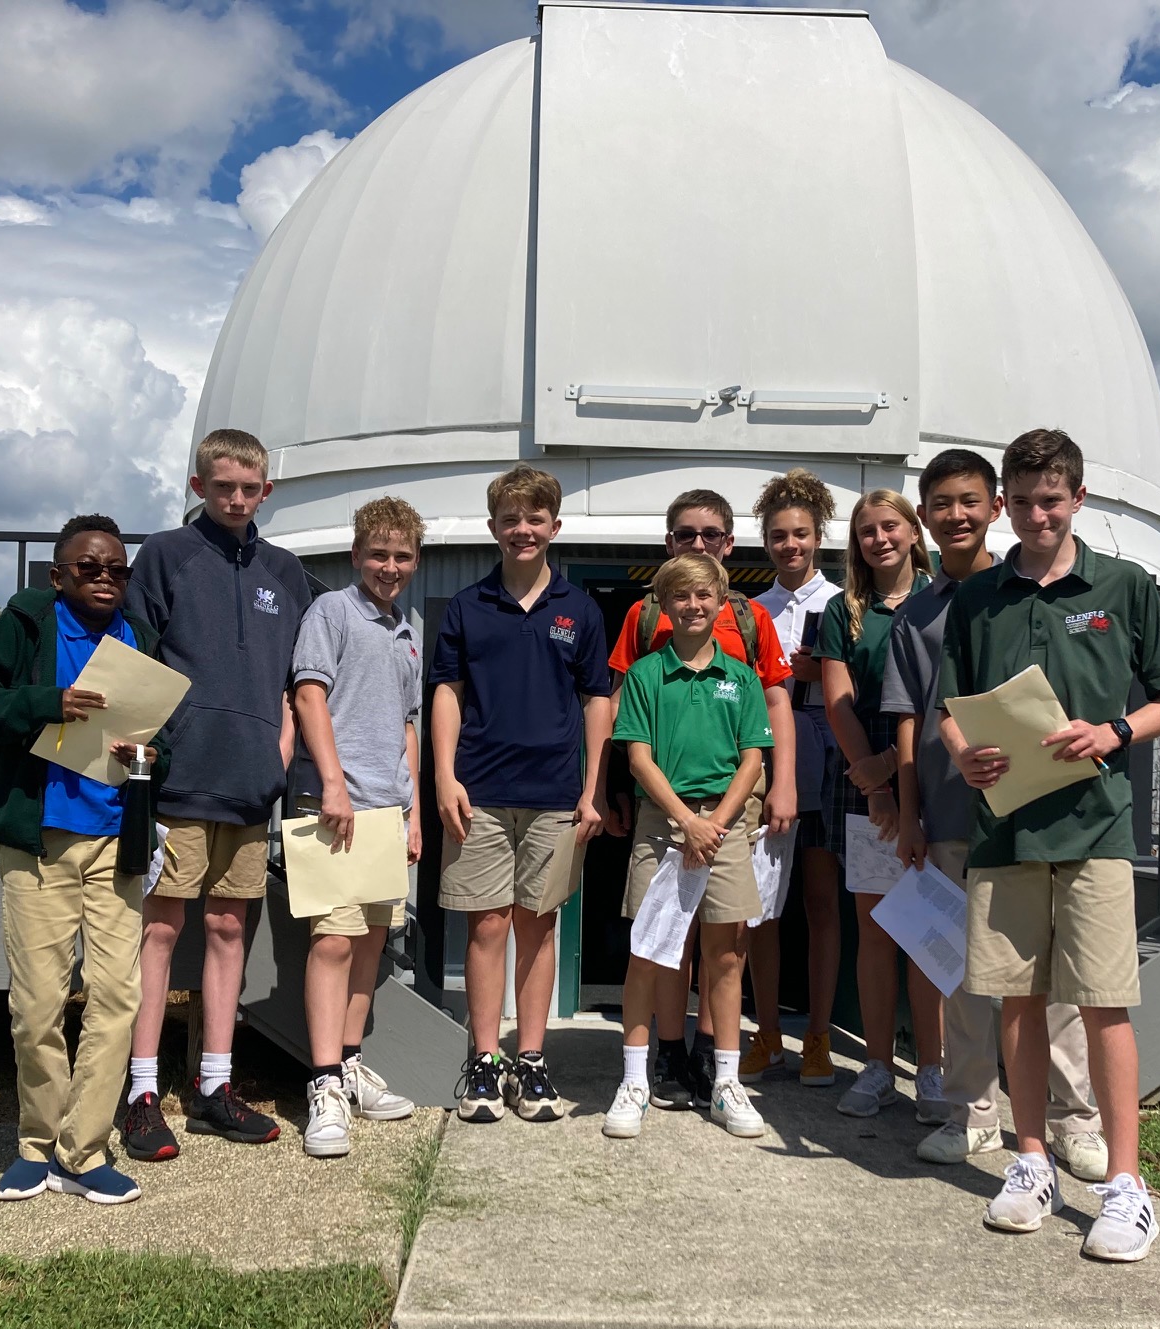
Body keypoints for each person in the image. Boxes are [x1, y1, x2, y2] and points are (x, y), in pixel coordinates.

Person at [936, 428, 1160, 1263]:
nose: (1038, 515)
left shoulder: (1122, 587)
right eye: (1024, 500)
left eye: (1053, 500)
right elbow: (949, 706)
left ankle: (1125, 1186)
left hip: (1096, 830)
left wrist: (1117, 730)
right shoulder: (977, 600)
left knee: (1102, 1003)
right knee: (1016, 1001)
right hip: (1005, 829)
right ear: (1004, 503)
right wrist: (961, 754)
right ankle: (1031, 1161)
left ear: (1078, 499)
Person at [889, 449, 1106, 1176]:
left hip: (1041, 814)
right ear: (927, 514)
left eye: (971, 501)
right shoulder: (915, 613)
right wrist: (910, 815)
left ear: (996, 507)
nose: (958, 515)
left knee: (1061, 981)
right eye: (942, 503)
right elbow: (910, 723)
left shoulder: (1030, 590)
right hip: (954, 815)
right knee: (965, 977)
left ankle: (1074, 1120)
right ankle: (972, 1111)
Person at [0, 513, 167, 1205]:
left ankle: (84, 1150)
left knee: (115, 996)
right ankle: (35, 1146)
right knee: (39, 1003)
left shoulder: (137, 637)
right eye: (89, 568)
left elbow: (150, 735)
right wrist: (50, 704)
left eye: (116, 570)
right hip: (38, 840)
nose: (105, 579)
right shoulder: (29, 624)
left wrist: (148, 760)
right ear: (58, 575)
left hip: (114, 838)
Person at [118, 428, 313, 1160]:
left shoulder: (285, 573)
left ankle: (214, 1088)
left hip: (249, 788)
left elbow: (300, 680)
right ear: (199, 486)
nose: (236, 499)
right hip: (177, 781)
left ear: (267, 491)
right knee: (160, 933)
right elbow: (137, 659)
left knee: (231, 932)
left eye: (250, 488)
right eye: (223, 486)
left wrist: (282, 749)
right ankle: (140, 1091)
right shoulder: (166, 556)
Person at [430, 465, 611, 1124]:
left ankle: (529, 1061)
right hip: (479, 790)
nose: (523, 530)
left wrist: (592, 788)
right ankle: (485, 1060)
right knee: (486, 925)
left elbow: (598, 699)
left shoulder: (579, 609)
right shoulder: (467, 608)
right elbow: (446, 692)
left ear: (554, 527)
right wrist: (445, 775)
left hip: (555, 794)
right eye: (511, 520)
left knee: (539, 926)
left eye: (535, 519)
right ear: (493, 529)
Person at [605, 487, 795, 1109]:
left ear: (728, 548)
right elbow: (628, 724)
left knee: (727, 942)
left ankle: (720, 1065)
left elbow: (769, 714)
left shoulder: (750, 624)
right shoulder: (642, 627)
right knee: (663, 941)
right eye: (686, 535)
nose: (698, 545)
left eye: (710, 535)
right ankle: (665, 1056)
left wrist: (775, 787)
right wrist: (622, 795)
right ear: (668, 550)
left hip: (731, 808)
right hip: (666, 805)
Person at [290, 497, 426, 1158]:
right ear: (356, 555)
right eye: (378, 554)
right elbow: (308, 693)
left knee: (371, 944)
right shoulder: (332, 612)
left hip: (386, 812)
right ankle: (321, 1085)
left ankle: (348, 1064)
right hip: (334, 807)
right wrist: (335, 783)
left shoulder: (407, 633)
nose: (389, 567)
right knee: (334, 943)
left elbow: (407, 728)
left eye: (402, 556)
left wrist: (414, 813)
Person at [817, 488, 938, 1120]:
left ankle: (936, 1070)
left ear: (914, 531)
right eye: (867, 531)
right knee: (876, 930)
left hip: (937, 779)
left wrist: (898, 766)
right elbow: (839, 701)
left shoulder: (947, 597)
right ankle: (879, 1066)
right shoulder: (845, 610)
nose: (879, 539)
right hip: (862, 786)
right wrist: (878, 783)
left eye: (890, 526)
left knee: (927, 930)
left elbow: (949, 693)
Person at [741, 469, 843, 1088]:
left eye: (800, 534)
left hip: (826, 742)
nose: (790, 546)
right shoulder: (752, 610)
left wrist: (819, 667)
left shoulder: (840, 603)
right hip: (765, 750)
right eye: (779, 535)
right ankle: (768, 1033)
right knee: (761, 908)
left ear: (818, 536)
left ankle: (820, 1035)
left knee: (822, 900)